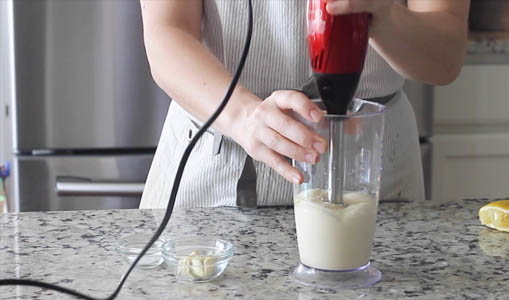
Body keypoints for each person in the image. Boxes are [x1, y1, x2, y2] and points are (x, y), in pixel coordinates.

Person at [138, 0, 470, 208]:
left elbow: (445, 58)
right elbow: (167, 32)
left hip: (375, 183)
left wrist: (385, 17)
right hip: (216, 179)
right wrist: (241, 116)